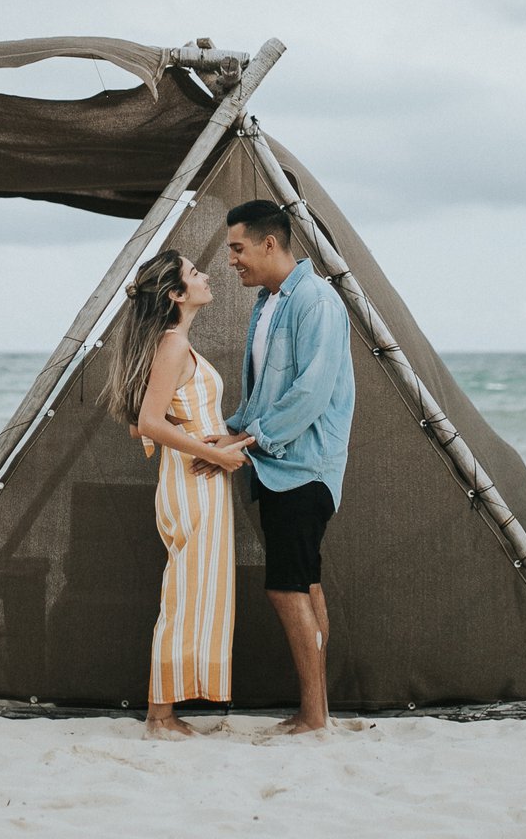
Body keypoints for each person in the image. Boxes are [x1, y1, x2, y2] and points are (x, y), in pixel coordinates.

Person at [200, 199, 355, 735]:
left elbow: (309, 394)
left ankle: (313, 716)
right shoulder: (267, 304)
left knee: (287, 588)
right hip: (275, 465)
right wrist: (229, 430)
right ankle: (318, 711)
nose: (231, 260)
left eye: (237, 248)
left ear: (270, 243)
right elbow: (263, 394)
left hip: (305, 468)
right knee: (305, 584)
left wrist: (247, 441)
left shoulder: (317, 302)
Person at [105, 248, 254, 738]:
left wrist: (211, 441)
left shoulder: (173, 345)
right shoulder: (172, 346)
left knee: (189, 595)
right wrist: (217, 455)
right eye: (194, 273)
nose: (206, 276)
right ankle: (160, 716)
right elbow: (148, 423)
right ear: (175, 294)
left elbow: (141, 424)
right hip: (194, 485)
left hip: (189, 481)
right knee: (184, 597)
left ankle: (164, 710)